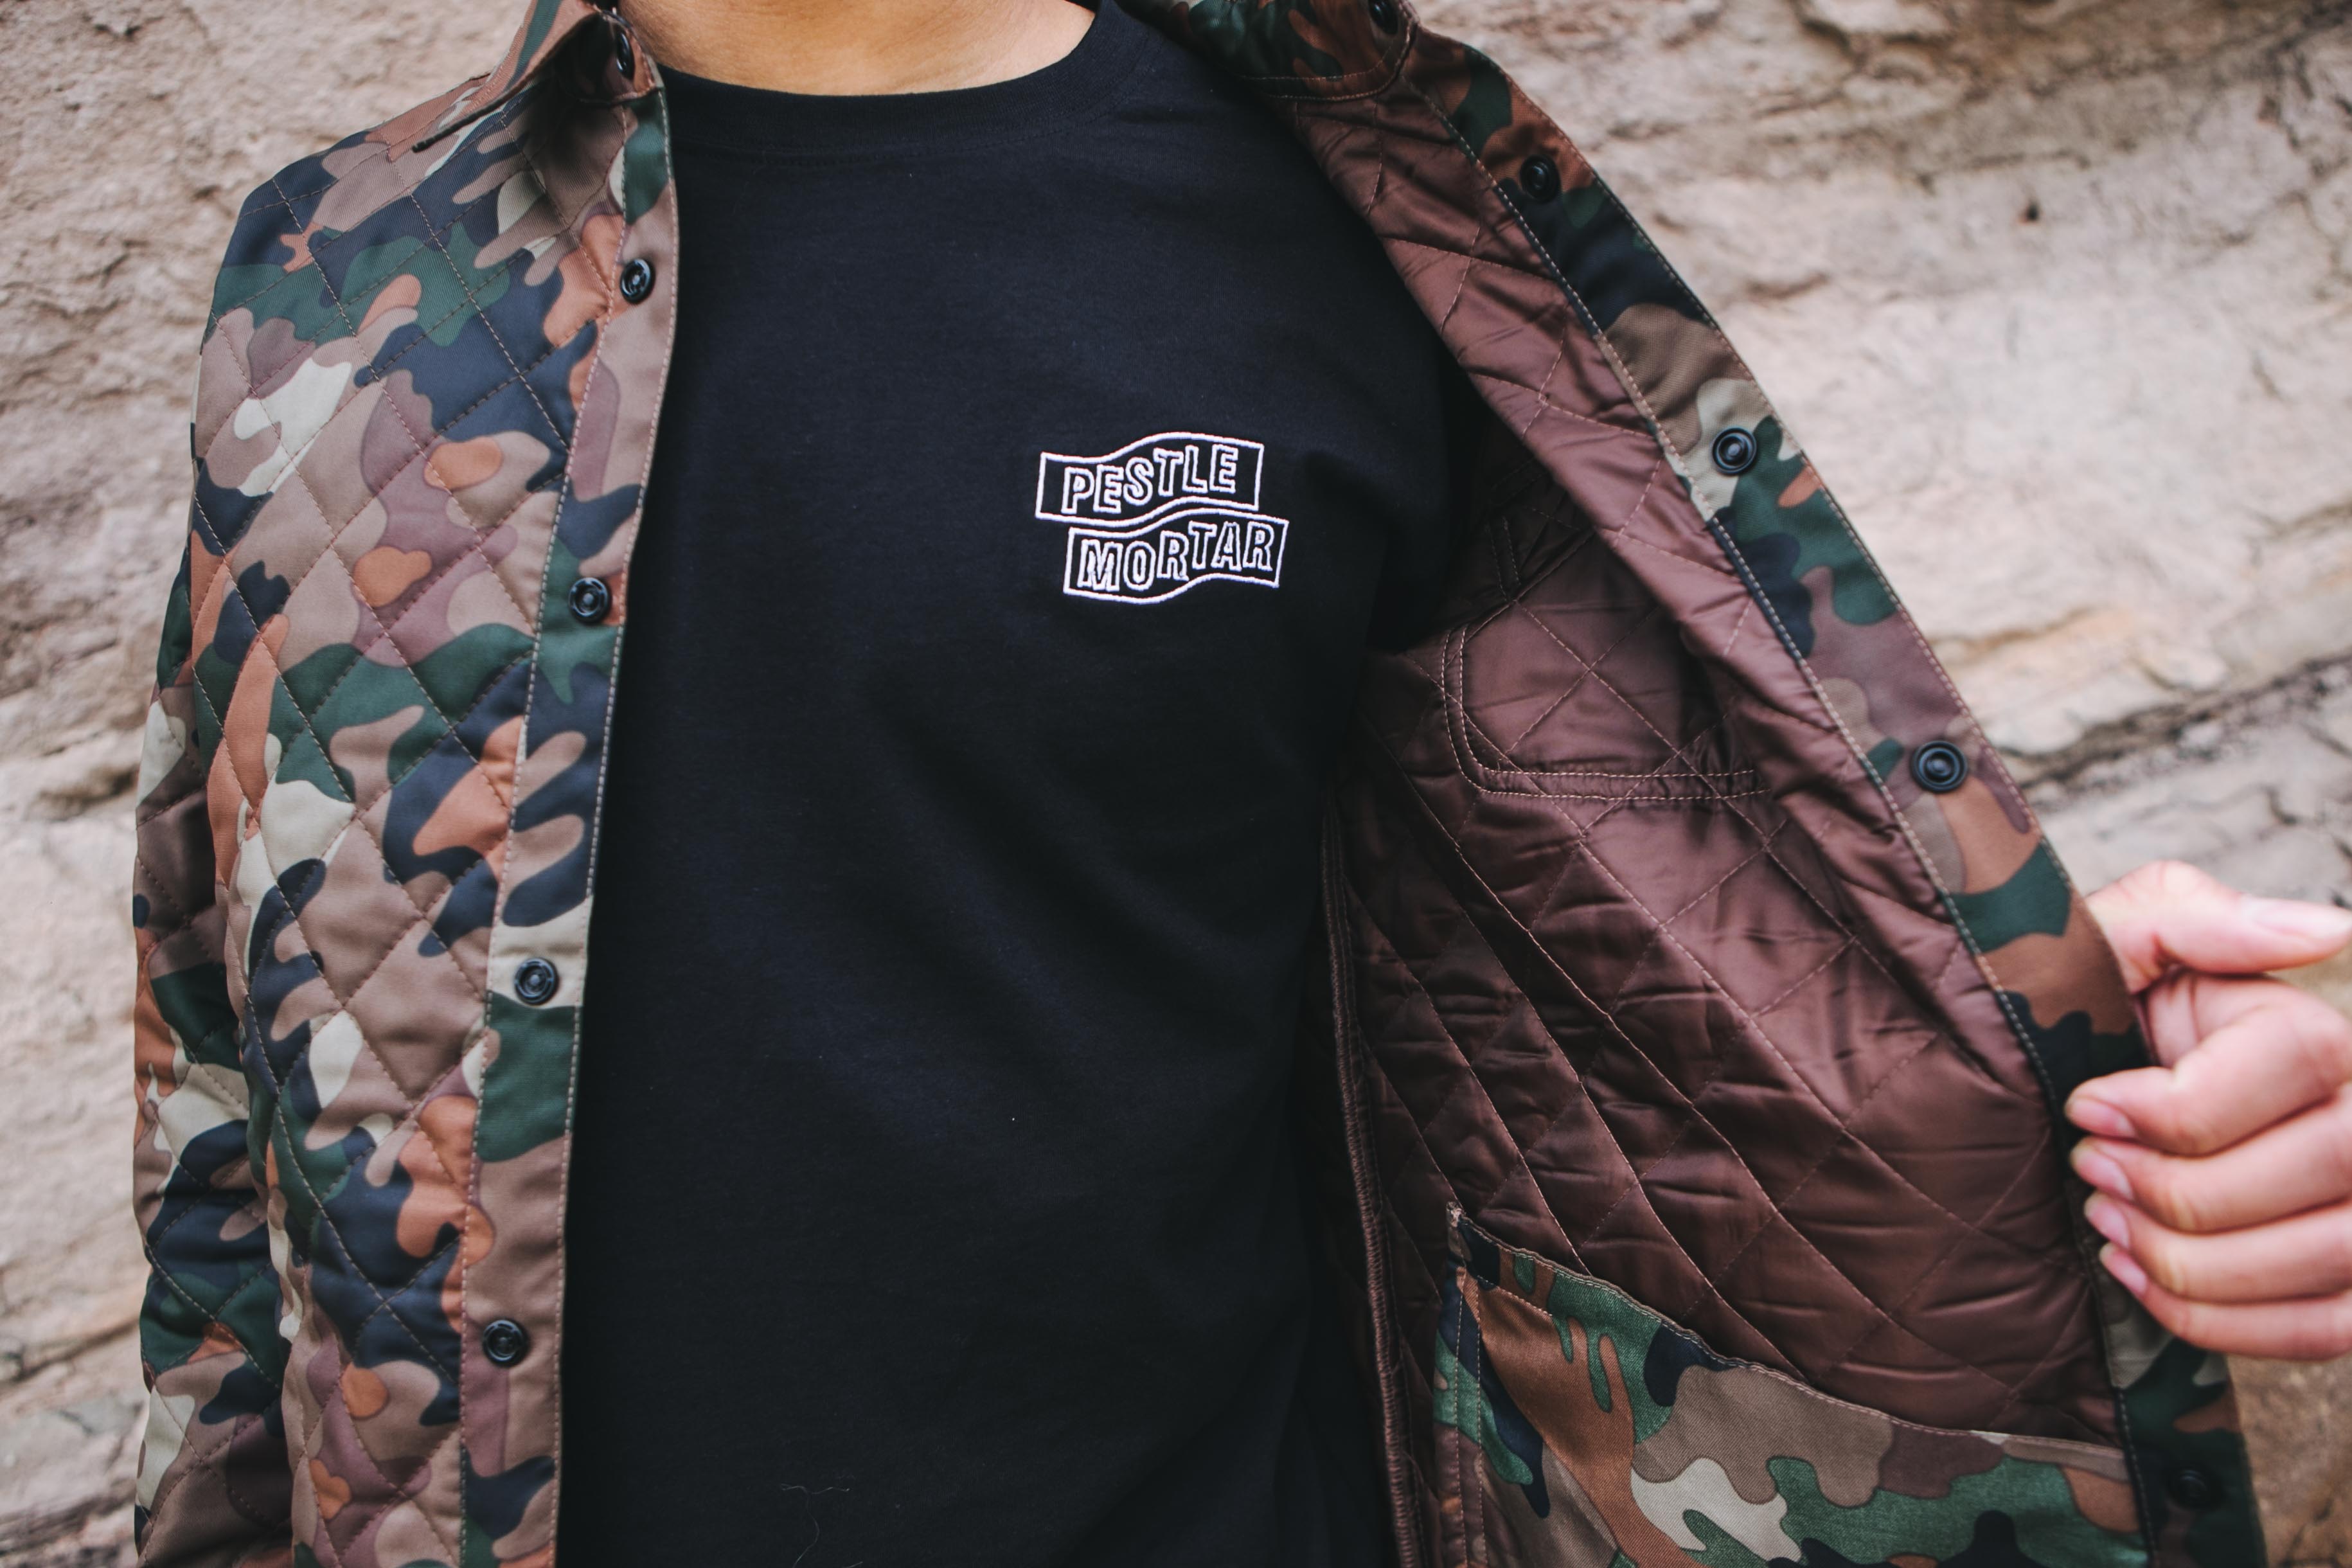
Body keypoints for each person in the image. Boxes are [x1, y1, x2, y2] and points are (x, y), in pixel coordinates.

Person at [126, 1, 2351, 1565]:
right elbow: (230, 1116)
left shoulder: (1368, 223)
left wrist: (2060, 1038)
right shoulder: (334, 275)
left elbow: (1666, 938)